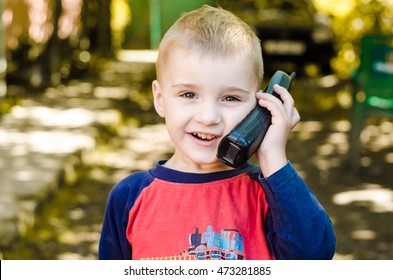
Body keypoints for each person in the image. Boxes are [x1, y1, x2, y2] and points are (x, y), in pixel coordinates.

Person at [98, 5, 336, 260]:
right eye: (188, 94)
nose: (208, 117)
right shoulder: (129, 197)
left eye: (230, 98)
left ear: (260, 107)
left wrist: (273, 158)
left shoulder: (268, 195)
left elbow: (315, 255)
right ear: (160, 99)